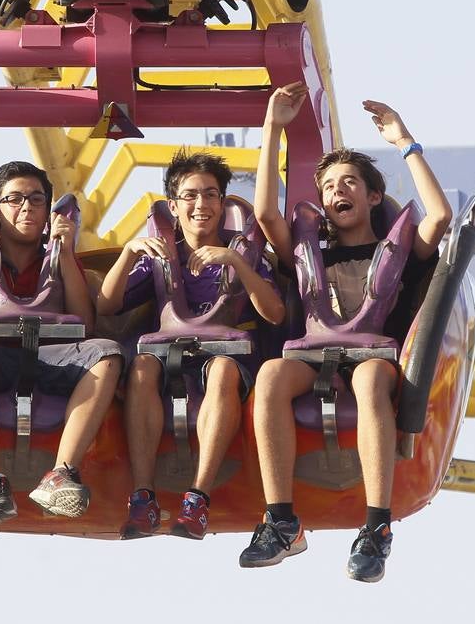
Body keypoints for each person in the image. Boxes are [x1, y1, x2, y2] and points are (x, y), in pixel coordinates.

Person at [241, 84, 452, 582]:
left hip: (370, 356)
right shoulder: (308, 251)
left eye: (350, 182)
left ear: (372, 195)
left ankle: (376, 527)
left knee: (371, 381)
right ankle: (281, 521)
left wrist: (405, 141)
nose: (338, 191)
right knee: (271, 376)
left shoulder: (397, 249)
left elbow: (440, 216)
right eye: (330, 185)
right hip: (313, 352)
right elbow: (267, 214)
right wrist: (272, 128)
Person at [98, 149, 285, 540]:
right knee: (143, 366)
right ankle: (143, 496)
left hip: (225, 359)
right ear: (173, 204)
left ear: (222, 202)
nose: (202, 204)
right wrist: (129, 252)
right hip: (167, 359)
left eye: (212, 194)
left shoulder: (244, 252)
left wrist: (238, 264)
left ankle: (197, 497)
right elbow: (106, 305)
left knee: (222, 369)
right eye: (191, 195)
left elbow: (274, 314)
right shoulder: (159, 254)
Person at [0, 161, 124, 528]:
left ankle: (62, 473)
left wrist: (65, 252)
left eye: (36, 200)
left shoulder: (58, 256)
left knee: (107, 353)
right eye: (14, 200)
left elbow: (85, 322)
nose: (26, 208)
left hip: (53, 357)